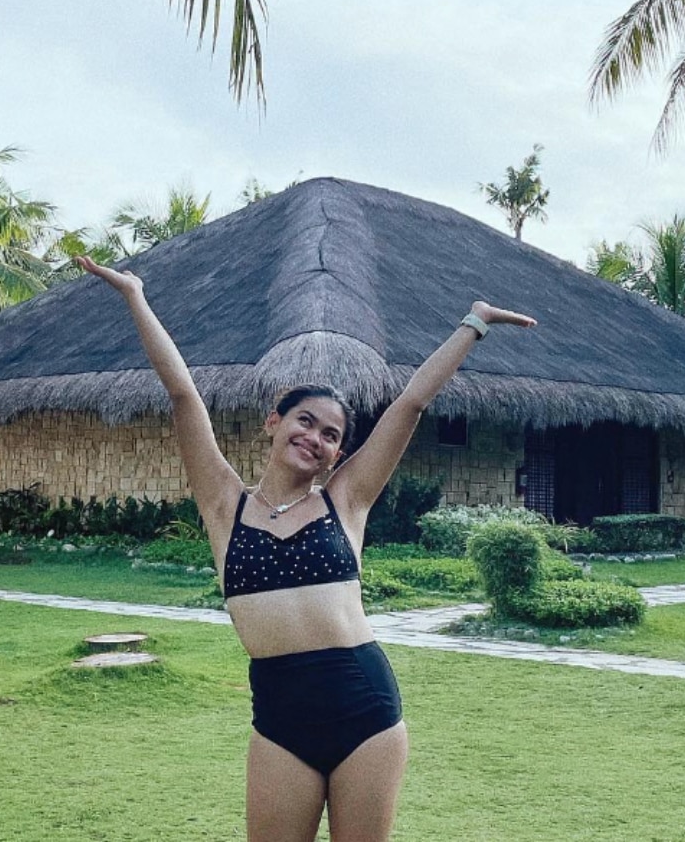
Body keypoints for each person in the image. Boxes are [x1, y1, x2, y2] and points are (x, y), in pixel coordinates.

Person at [78, 255, 536, 842]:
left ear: (338, 455)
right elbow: (182, 394)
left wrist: (472, 324)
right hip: (280, 717)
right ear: (273, 422)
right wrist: (135, 296)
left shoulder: (345, 502)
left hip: (364, 706)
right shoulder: (225, 506)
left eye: (330, 435)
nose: (314, 438)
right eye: (305, 420)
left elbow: (410, 405)